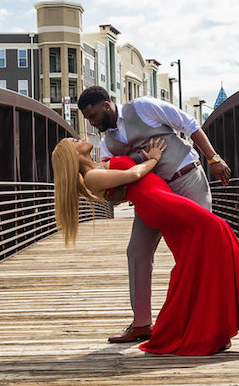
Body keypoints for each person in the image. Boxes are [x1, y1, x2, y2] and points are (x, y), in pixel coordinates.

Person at [51, 136, 239, 355]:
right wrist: (153, 158)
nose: (79, 138)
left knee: (194, 259)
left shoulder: (101, 163)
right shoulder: (91, 177)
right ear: (70, 154)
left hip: (163, 199)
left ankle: (214, 331)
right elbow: (133, 175)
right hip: (159, 204)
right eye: (73, 140)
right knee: (217, 229)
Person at [77, 86, 231, 344]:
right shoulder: (107, 145)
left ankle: (216, 328)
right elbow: (116, 185)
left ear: (106, 106)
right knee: (137, 251)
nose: (91, 123)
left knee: (201, 251)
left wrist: (213, 158)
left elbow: (189, 124)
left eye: (92, 116)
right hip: (154, 197)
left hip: (187, 180)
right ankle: (141, 324)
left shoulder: (143, 107)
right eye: (87, 120)